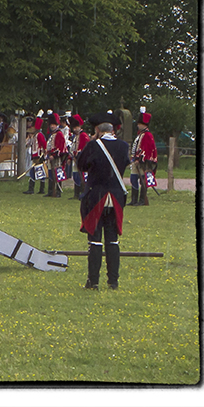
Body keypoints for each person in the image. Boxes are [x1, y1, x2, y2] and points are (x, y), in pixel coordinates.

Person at [78, 113, 131, 289]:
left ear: (98, 130)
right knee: (112, 240)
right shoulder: (123, 146)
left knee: (95, 239)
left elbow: (82, 165)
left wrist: (92, 142)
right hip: (115, 196)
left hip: (97, 195)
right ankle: (113, 281)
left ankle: (93, 281)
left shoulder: (93, 145)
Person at [131, 110, 158, 206]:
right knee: (133, 178)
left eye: (139, 124)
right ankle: (134, 200)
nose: (138, 125)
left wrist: (140, 159)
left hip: (144, 163)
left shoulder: (148, 135)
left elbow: (148, 150)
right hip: (137, 161)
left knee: (143, 181)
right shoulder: (140, 134)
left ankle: (142, 200)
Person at [45, 112, 68, 198]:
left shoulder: (59, 134)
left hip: (57, 157)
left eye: (54, 125)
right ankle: (50, 191)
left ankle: (58, 191)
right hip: (51, 157)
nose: (52, 126)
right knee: (51, 173)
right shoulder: (52, 134)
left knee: (58, 173)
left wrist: (54, 155)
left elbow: (60, 147)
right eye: (51, 125)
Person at [69, 114, 91, 199]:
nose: (75, 129)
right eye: (74, 128)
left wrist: (78, 156)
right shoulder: (76, 136)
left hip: (81, 159)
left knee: (81, 176)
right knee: (75, 175)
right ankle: (76, 193)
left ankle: (83, 192)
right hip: (76, 158)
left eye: (76, 127)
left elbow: (83, 148)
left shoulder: (83, 135)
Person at [24, 116, 48, 195]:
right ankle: (36, 188)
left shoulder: (39, 135)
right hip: (34, 155)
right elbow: (28, 144)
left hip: (39, 155)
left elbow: (44, 144)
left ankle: (39, 189)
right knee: (35, 171)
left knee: (38, 171)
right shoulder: (34, 136)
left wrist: (44, 153)